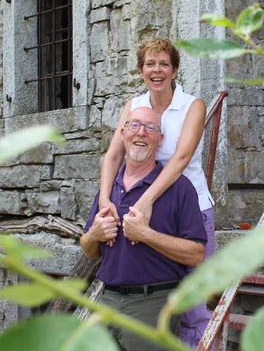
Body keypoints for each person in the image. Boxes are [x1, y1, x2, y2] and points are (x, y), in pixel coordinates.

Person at [98, 39, 215, 347]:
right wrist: (104, 200)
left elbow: (180, 158)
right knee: (160, 297)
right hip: (142, 213)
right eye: (150, 64)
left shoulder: (193, 106)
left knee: (195, 305)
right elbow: (112, 156)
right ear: (141, 71)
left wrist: (146, 200)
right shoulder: (134, 107)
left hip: (189, 208)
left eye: (164, 63)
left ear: (174, 70)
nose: (157, 70)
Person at [81, 107, 207, 351]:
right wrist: (93, 234)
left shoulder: (179, 188)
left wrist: (146, 235)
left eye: (151, 128)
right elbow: (89, 251)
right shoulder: (108, 190)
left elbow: (197, 254)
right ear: (122, 133)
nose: (141, 133)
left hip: (153, 306)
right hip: (106, 300)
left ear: (160, 140)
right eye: (134, 125)